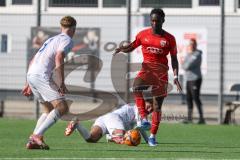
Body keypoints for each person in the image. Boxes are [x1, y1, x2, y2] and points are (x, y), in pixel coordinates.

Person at [114, 8, 182, 146]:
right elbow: (132, 46)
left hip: (161, 74)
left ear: (163, 20)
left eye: (157, 20)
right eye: (152, 20)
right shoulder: (143, 35)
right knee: (136, 87)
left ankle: (152, 136)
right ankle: (143, 118)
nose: (154, 23)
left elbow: (174, 58)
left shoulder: (169, 39)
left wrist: (175, 77)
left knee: (157, 106)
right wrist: (122, 49)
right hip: (147, 70)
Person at [22, 16, 77, 149]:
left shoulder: (51, 39)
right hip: (42, 75)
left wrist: (28, 82)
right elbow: (59, 56)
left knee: (48, 109)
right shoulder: (67, 40)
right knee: (62, 107)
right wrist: (61, 81)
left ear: (61, 27)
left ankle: (34, 141)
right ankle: (35, 136)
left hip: (32, 74)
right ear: (74, 29)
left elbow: (33, 59)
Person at [64, 100, 153, 145]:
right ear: (144, 102)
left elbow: (140, 128)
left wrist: (147, 140)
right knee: (122, 139)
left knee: (91, 139)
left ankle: (77, 124)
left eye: (151, 110)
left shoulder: (137, 112)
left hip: (105, 118)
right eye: (149, 106)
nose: (149, 110)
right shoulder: (138, 108)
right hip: (114, 118)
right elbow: (140, 125)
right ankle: (112, 136)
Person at [182, 39, 205, 124]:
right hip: (188, 79)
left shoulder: (197, 54)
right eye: (190, 44)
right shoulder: (188, 54)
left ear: (196, 45)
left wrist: (185, 64)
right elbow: (183, 65)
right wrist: (185, 64)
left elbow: (187, 66)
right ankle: (189, 118)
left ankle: (201, 118)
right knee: (188, 98)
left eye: (193, 44)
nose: (191, 45)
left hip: (195, 79)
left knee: (196, 97)